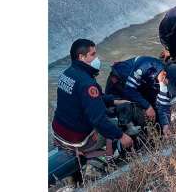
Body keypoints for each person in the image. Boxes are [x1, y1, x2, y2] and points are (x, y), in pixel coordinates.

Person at [51, 39, 133, 177]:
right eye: (93, 54)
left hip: (58, 130)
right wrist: (122, 136)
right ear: (82, 57)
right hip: (76, 137)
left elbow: (89, 98)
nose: (96, 58)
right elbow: (99, 120)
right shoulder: (87, 83)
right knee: (114, 125)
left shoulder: (66, 74)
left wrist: (114, 101)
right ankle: (98, 163)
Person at [105, 56, 176, 137]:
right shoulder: (146, 65)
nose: (167, 88)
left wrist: (166, 124)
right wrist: (147, 106)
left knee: (156, 113)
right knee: (123, 112)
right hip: (120, 82)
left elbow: (163, 105)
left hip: (142, 85)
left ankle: (156, 136)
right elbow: (129, 89)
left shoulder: (164, 82)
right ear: (164, 74)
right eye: (169, 85)